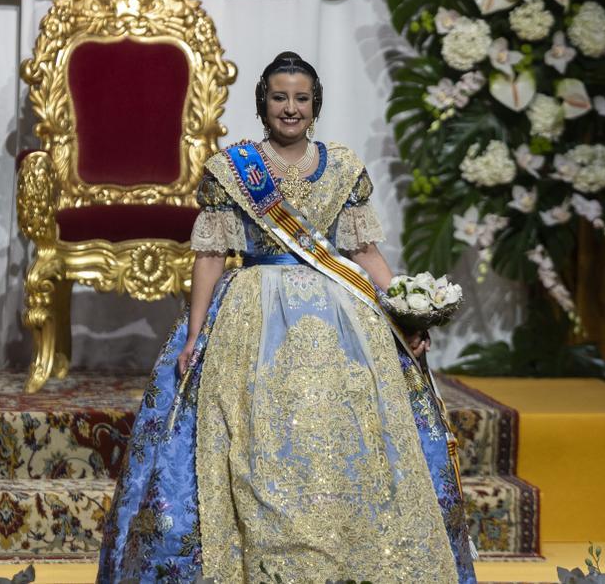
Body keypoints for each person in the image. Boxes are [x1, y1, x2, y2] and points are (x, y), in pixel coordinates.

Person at [97, 52, 476, 583]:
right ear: (263, 103)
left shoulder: (342, 166)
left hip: (340, 317)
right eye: (279, 97)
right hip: (251, 313)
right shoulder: (233, 169)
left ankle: (351, 550)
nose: (290, 108)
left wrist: (405, 309)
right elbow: (210, 255)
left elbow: (364, 252)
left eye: (301, 98)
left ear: (315, 104)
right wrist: (196, 330)